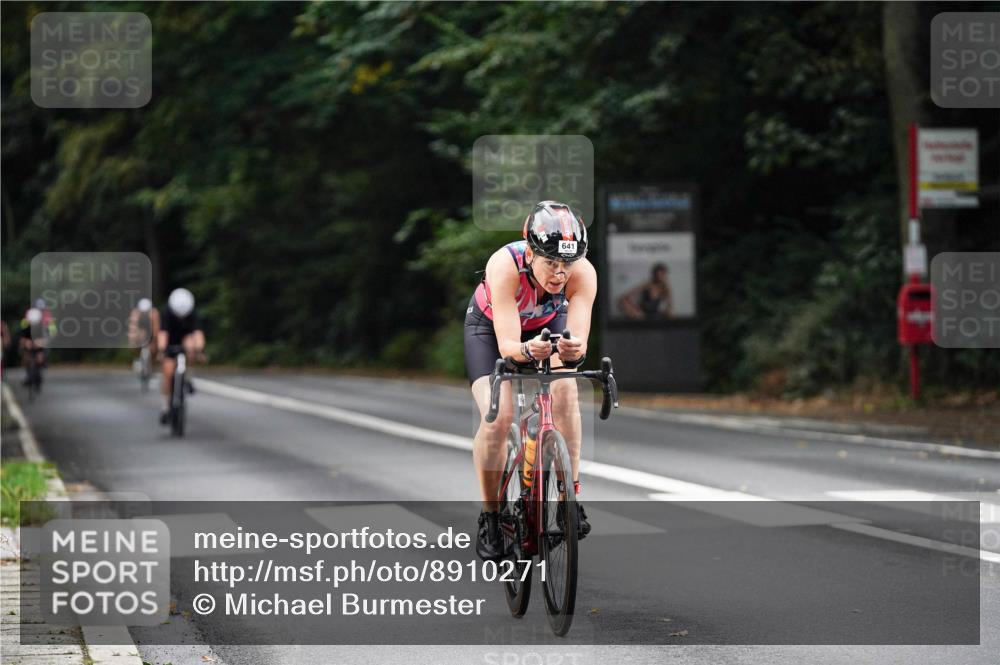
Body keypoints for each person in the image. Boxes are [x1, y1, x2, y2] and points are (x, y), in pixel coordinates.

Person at [465, 200, 597, 561]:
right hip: (490, 330)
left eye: (567, 263)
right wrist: (526, 350)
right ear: (530, 253)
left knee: (566, 390)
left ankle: (569, 498)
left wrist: (573, 350)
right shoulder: (504, 265)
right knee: (498, 417)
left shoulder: (583, 273)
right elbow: (508, 347)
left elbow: (579, 342)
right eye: (550, 262)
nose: (560, 273)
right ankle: (491, 516)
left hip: (547, 325)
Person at [157, 288, 205, 424]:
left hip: (185, 340)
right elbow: (163, 334)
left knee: (190, 346)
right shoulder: (166, 312)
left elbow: (198, 334)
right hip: (170, 342)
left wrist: (199, 350)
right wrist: (161, 350)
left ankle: (188, 377)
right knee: (168, 372)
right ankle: (166, 406)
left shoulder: (193, 313)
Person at [19, 300, 56, 386]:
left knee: (42, 354)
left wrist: (42, 342)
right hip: (29, 338)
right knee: (26, 355)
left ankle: (43, 363)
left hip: (42, 339)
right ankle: (28, 373)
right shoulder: (28, 317)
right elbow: (22, 333)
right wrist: (26, 342)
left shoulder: (47, 318)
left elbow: (52, 333)